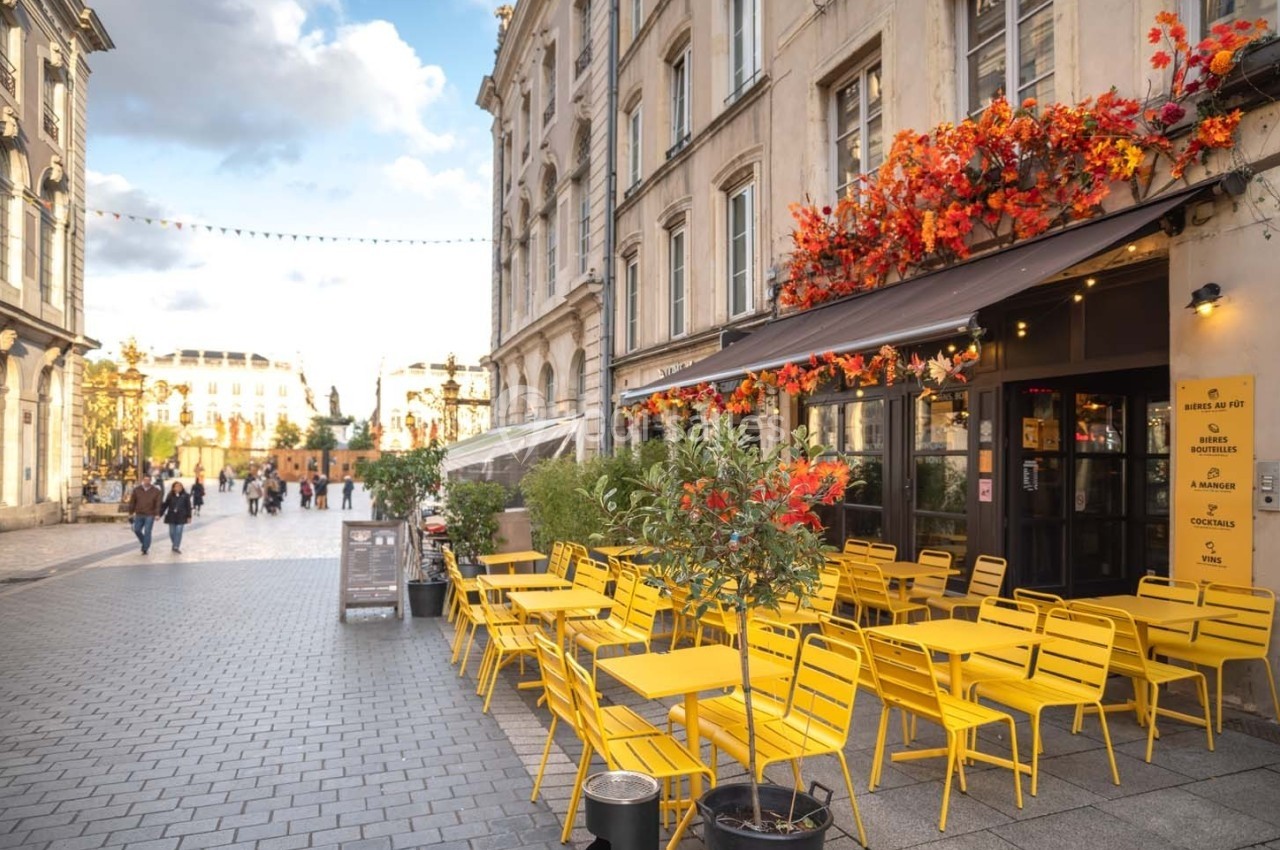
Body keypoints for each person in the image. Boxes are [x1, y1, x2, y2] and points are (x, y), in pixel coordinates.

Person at [126, 476, 164, 555]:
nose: (147, 481)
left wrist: (157, 514)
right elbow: (132, 502)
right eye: (145, 480)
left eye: (148, 480)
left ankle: (145, 548)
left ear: (151, 481)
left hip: (150, 514)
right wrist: (130, 513)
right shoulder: (137, 490)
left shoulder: (156, 491)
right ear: (142, 480)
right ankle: (145, 542)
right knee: (136, 529)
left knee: (147, 531)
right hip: (139, 513)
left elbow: (158, 504)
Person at [161, 480, 193, 553]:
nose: (178, 488)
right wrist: (160, 514)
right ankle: (175, 543)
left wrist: (189, 516)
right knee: (172, 533)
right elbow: (165, 505)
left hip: (181, 516)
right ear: (173, 488)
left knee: (178, 531)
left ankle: (176, 546)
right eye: (176, 486)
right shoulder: (170, 495)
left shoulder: (186, 495)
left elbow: (188, 506)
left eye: (180, 486)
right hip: (171, 516)